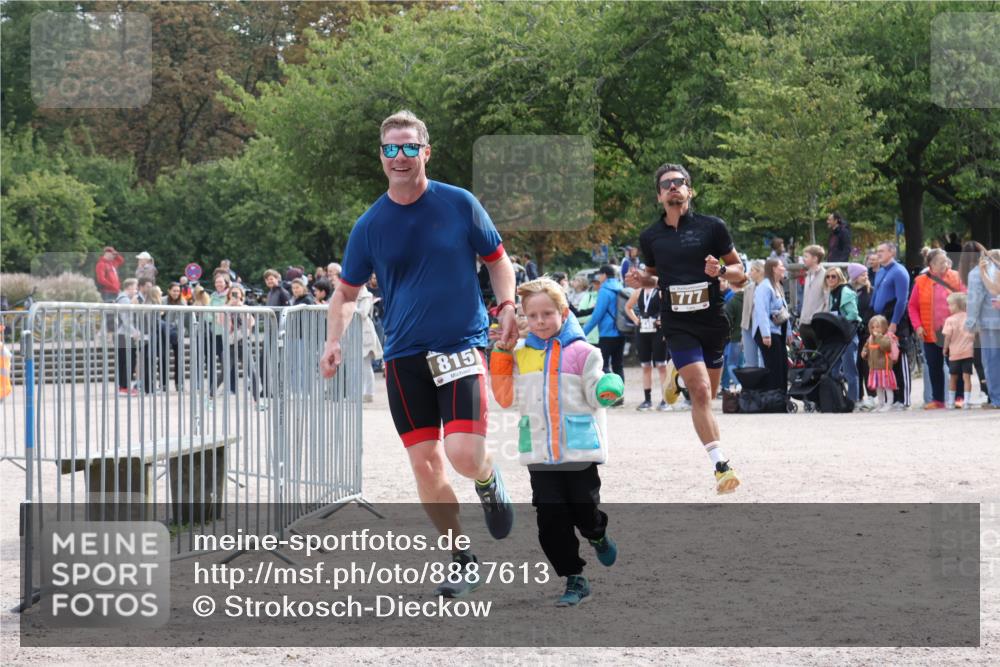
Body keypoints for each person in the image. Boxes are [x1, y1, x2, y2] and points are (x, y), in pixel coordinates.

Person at [319, 110, 518, 598]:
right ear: (381, 156)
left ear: (426, 152)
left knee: (464, 455)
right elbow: (345, 293)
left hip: (460, 344)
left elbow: (498, 261)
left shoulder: (459, 203)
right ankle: (462, 558)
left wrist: (508, 305)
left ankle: (487, 479)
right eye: (391, 149)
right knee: (426, 464)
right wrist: (333, 340)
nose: (400, 157)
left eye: (410, 147)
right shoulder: (370, 225)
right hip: (404, 355)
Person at [489, 278, 622, 607]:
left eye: (547, 314)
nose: (539, 322)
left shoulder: (585, 353)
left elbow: (596, 395)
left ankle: (597, 534)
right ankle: (574, 576)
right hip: (539, 453)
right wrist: (501, 355)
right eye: (532, 316)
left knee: (585, 511)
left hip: (578, 452)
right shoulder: (519, 354)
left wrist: (608, 387)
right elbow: (505, 398)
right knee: (550, 521)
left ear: (563, 313)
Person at [627, 163, 743, 493]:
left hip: (712, 321)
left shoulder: (712, 227)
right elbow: (655, 278)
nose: (673, 187)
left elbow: (741, 272)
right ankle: (721, 466)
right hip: (677, 322)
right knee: (701, 391)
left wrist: (721, 270)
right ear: (659, 196)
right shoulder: (651, 236)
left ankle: (678, 378)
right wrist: (641, 280)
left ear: (690, 190)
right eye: (667, 184)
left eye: (679, 182)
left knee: (708, 394)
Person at [907, 248, 965, 409]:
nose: (945, 264)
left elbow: (966, 299)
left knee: (955, 365)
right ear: (931, 264)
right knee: (934, 366)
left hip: (953, 331)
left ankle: (959, 397)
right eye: (940, 262)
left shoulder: (956, 277)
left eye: (946, 260)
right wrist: (918, 326)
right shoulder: (921, 281)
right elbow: (912, 306)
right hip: (930, 331)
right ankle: (938, 400)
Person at [871, 241, 912, 408]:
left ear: (892, 252)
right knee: (886, 359)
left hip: (895, 316)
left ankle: (904, 400)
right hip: (880, 318)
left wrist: (894, 322)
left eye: (882, 251)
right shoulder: (881, 271)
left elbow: (902, 300)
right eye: (877, 251)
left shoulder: (899, 271)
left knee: (899, 355)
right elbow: (875, 294)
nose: (878, 254)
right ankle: (892, 398)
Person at [582, 265, 626, 406]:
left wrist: (582, 333)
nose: (598, 277)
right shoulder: (620, 287)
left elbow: (597, 315)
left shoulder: (605, 290)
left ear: (604, 275)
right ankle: (620, 396)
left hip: (607, 333)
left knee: (604, 365)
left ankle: (612, 396)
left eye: (600, 275)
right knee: (618, 365)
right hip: (621, 331)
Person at [625, 282, 669, 410]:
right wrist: (635, 319)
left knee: (661, 366)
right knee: (645, 366)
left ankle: (665, 400)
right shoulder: (638, 292)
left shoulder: (660, 291)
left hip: (658, 331)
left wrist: (663, 319)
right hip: (642, 331)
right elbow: (628, 307)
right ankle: (647, 400)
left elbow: (669, 307)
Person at [965, 249, 1000, 409]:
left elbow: (975, 299)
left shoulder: (977, 273)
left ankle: (997, 399)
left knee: (991, 360)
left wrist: (971, 324)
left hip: (990, 323)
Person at [752, 258, 790, 395]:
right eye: (781, 266)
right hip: (768, 332)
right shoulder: (765, 287)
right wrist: (766, 334)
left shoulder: (777, 285)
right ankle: (773, 397)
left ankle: (781, 397)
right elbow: (761, 311)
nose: (784, 268)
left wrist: (788, 332)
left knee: (782, 366)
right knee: (774, 367)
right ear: (773, 269)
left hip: (778, 331)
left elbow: (784, 311)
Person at [824, 267, 862, 403]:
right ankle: (839, 399)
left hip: (848, 335)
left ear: (840, 277)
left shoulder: (845, 291)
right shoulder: (832, 293)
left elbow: (853, 314)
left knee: (850, 371)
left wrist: (838, 321)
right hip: (838, 336)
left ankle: (853, 401)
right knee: (834, 370)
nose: (830, 279)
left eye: (833, 276)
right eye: (827, 276)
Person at [848, 263, 877, 410]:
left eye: (866, 273)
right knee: (856, 365)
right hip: (854, 333)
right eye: (861, 274)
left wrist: (865, 324)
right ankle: (858, 396)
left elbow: (872, 310)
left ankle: (872, 395)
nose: (865, 276)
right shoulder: (850, 291)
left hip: (867, 332)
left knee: (867, 365)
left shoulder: (871, 291)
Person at [942, 292, 976, 408]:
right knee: (967, 378)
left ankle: (951, 402)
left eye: (950, 305)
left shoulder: (950, 320)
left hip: (954, 354)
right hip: (968, 353)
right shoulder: (970, 318)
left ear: (956, 306)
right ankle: (966, 402)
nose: (948, 307)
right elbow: (974, 334)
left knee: (953, 377)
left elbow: (947, 337)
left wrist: (945, 348)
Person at [861, 315, 899, 412]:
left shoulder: (885, 337)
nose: (875, 329)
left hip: (884, 369)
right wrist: (864, 353)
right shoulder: (870, 338)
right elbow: (866, 347)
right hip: (875, 369)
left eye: (878, 327)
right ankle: (880, 404)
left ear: (884, 327)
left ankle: (889, 403)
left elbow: (886, 347)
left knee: (887, 387)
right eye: (873, 327)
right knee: (878, 387)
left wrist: (878, 337)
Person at [355, 280, 383, 403]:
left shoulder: (366, 296)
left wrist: (349, 308)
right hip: (356, 332)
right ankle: (361, 391)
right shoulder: (354, 295)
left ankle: (369, 393)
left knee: (366, 365)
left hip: (365, 332)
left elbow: (363, 313)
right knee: (359, 365)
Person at [798, 245, 828, 351]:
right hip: (804, 323)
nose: (803, 259)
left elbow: (827, 300)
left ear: (815, 258)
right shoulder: (808, 275)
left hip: (817, 324)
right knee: (809, 356)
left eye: (806, 256)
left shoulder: (826, 276)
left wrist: (821, 320)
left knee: (821, 355)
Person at [115, 278, 141, 395]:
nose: (136, 290)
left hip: (122, 334)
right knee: (128, 361)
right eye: (135, 288)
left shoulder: (123, 298)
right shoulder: (124, 300)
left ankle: (123, 386)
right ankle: (124, 387)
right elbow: (126, 319)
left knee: (125, 360)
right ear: (129, 287)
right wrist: (134, 331)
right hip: (125, 334)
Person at [740, 260, 765, 368]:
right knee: (749, 361)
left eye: (752, 270)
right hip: (748, 327)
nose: (749, 273)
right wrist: (743, 332)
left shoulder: (768, 287)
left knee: (763, 360)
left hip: (762, 327)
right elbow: (745, 310)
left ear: (760, 271)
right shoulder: (748, 288)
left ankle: (764, 378)